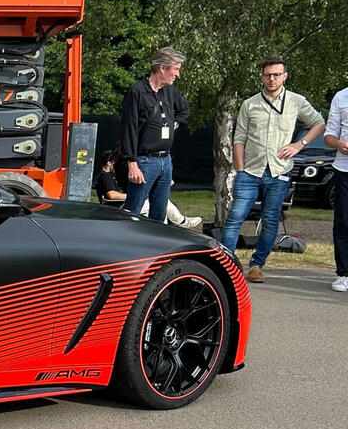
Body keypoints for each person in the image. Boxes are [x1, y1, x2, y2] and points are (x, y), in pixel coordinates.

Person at [220, 56, 325, 283]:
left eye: (276, 74)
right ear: (261, 77)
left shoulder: (296, 101)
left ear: (284, 76)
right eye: (268, 75)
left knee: (270, 220)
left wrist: (300, 144)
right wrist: (240, 169)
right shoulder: (250, 104)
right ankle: (226, 266)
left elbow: (319, 122)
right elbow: (238, 138)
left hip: (278, 172)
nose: (272, 78)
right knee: (235, 217)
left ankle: (257, 265)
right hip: (250, 171)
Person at [119, 46, 190, 223]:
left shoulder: (170, 91)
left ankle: (156, 248)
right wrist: (132, 163)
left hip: (165, 161)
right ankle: (125, 245)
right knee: (133, 211)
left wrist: (173, 123)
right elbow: (129, 127)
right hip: (144, 160)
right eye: (176, 69)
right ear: (162, 68)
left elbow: (184, 109)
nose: (177, 75)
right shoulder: (137, 91)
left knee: (159, 214)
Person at [94, 149, 202, 229]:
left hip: (122, 203)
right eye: (114, 163)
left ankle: (174, 224)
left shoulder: (111, 175)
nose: (116, 165)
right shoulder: (105, 176)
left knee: (160, 204)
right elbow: (112, 195)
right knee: (161, 205)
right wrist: (134, 195)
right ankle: (179, 222)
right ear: (108, 163)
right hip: (119, 205)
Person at [322, 84, 348, 292]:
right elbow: (329, 135)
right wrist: (339, 144)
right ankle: (343, 274)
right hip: (344, 169)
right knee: (343, 221)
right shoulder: (341, 96)